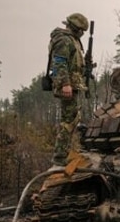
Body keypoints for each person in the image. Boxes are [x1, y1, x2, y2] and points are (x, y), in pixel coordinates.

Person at [49, 13, 89, 166]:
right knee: (69, 121)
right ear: (76, 28)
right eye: (81, 30)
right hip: (67, 86)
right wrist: (65, 84)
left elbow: (73, 63)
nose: (82, 34)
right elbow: (59, 63)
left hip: (73, 84)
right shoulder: (64, 40)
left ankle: (64, 153)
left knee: (73, 118)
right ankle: (59, 158)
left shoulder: (72, 40)